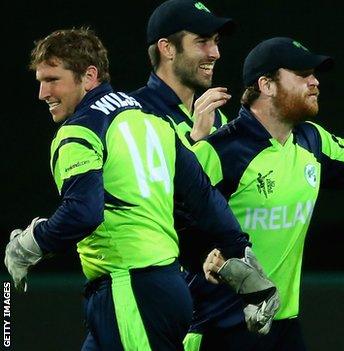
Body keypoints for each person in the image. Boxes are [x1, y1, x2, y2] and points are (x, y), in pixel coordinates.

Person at [4, 27, 277, 350]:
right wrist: (240, 253)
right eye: (40, 81)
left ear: (89, 76)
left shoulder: (80, 131)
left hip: (130, 289)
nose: (43, 92)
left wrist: (30, 243)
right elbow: (203, 197)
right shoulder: (151, 121)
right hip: (165, 290)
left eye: (52, 79)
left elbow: (83, 212)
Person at [187, 36, 344, 350]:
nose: (315, 82)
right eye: (303, 74)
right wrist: (204, 254)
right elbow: (174, 219)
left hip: (283, 326)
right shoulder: (221, 150)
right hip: (221, 329)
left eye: (314, 74)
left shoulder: (311, 140)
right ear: (266, 84)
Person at [129, 2, 252, 348]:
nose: (214, 52)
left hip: (215, 308)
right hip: (158, 305)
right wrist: (196, 143)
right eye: (202, 41)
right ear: (167, 48)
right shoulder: (133, 116)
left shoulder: (218, 120)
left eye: (215, 41)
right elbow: (149, 207)